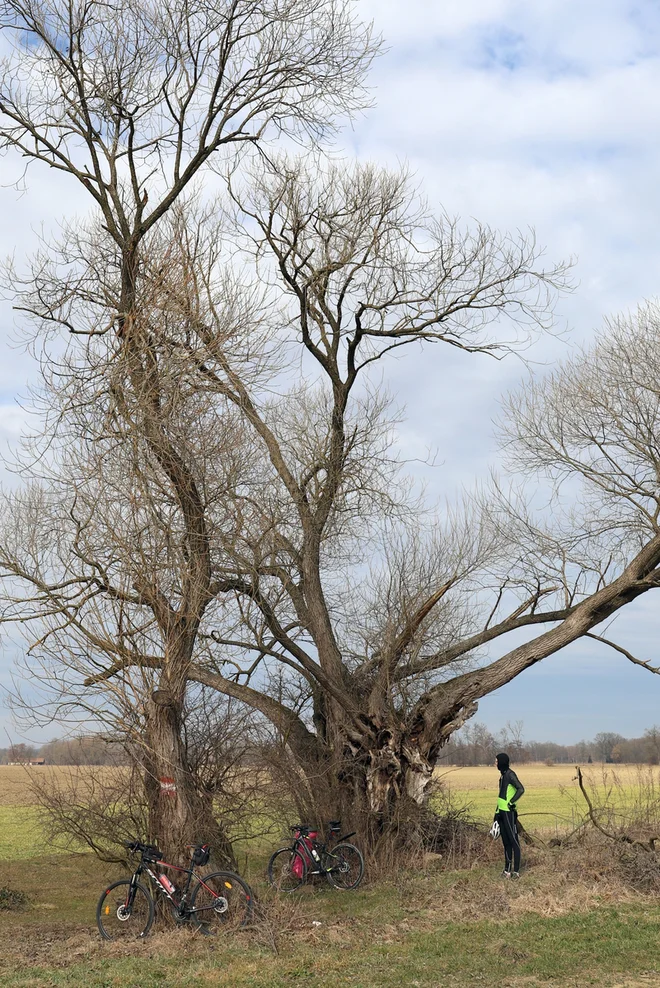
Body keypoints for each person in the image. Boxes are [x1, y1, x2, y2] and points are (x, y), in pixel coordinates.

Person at [494, 752, 524, 879]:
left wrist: (511, 803)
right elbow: (500, 796)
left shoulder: (511, 774)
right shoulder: (502, 776)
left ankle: (516, 872)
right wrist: (496, 814)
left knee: (513, 841)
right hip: (501, 812)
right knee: (506, 842)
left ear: (501, 762)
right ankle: (507, 871)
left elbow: (521, 789)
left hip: (508, 812)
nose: (495, 763)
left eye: (496, 761)